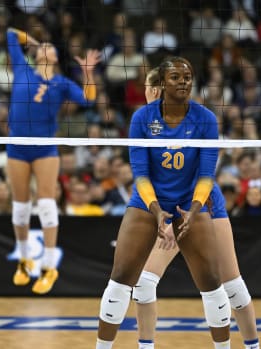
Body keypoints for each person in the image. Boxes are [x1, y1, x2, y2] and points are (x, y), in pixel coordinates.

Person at [96, 57, 231, 349]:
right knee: (121, 279)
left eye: (188, 76)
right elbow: (140, 174)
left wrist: (194, 211)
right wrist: (157, 212)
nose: (183, 81)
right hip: (148, 203)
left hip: (190, 203)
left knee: (211, 281)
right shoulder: (142, 118)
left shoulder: (205, 118)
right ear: (161, 84)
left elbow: (207, 174)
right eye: (175, 77)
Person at [132, 67, 260, 349]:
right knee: (142, 284)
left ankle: (253, 346)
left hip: (201, 206)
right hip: (166, 208)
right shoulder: (142, 122)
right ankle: (145, 346)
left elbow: (205, 167)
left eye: (150, 87)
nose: (147, 92)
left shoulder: (194, 117)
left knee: (232, 287)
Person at [5, 26, 100, 295]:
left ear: (56, 57)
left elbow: (89, 101)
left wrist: (88, 73)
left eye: (51, 46)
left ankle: (48, 268)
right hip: (18, 146)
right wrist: (35, 41)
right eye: (43, 47)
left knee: (46, 204)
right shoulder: (23, 69)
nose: (47, 48)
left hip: (45, 148)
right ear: (36, 54)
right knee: (20, 208)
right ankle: (23, 261)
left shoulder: (61, 84)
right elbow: (11, 34)